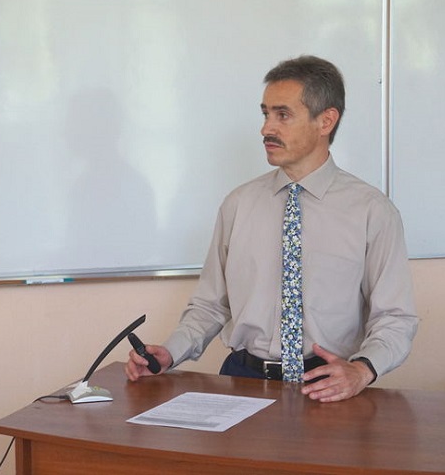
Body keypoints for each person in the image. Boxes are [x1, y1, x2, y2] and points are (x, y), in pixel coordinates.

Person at [125, 55, 418, 402]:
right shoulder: (238, 204)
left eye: (283, 115)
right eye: (265, 114)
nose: (266, 129)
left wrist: (362, 370)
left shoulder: (372, 211)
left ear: (326, 121)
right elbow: (211, 305)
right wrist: (170, 352)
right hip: (242, 382)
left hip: (328, 386)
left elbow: (395, 318)